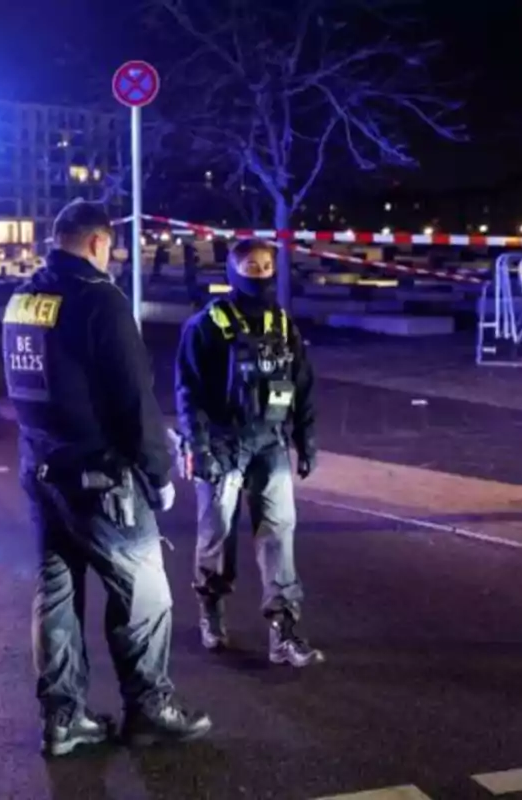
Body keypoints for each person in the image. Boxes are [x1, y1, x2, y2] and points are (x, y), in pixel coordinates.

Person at [4, 199, 212, 757]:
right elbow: (133, 398)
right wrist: (158, 473)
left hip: (44, 471)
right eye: (112, 247)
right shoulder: (101, 301)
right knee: (145, 596)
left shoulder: (25, 297)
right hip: (101, 477)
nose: (114, 257)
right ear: (98, 242)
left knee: (56, 597)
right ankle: (149, 709)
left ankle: (63, 719)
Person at [174, 239, 323, 667]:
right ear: (232, 271)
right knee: (218, 534)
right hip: (222, 444)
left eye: (265, 265)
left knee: (279, 534)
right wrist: (198, 446)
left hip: (269, 443)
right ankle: (211, 608)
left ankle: (284, 631)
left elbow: (303, 384)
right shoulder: (206, 324)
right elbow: (189, 392)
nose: (259, 273)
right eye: (249, 265)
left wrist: (305, 440)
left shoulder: (282, 324)